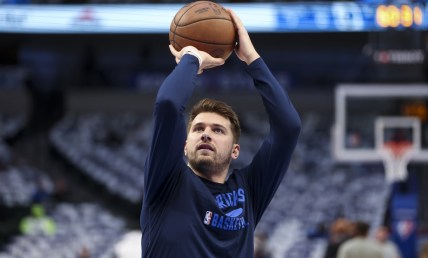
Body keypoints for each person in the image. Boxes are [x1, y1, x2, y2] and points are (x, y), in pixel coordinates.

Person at [139, 9, 301, 258]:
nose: (205, 134)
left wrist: (251, 58)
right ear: (184, 145)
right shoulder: (165, 180)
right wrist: (191, 58)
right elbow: (169, 104)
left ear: (235, 150)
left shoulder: (249, 189)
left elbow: (289, 127)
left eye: (217, 130)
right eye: (198, 129)